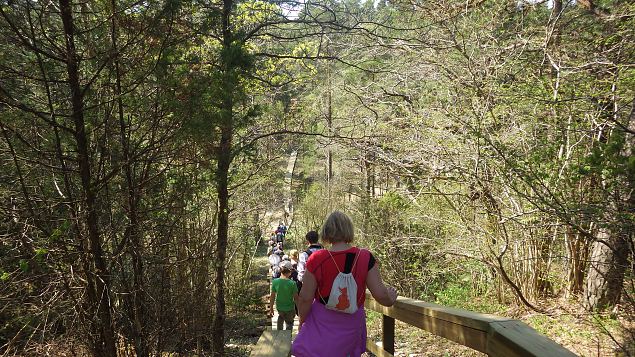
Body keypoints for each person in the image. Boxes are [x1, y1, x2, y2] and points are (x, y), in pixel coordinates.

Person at [291, 211, 397, 357]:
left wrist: (303, 321)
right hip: (352, 324)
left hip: (321, 324)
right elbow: (381, 295)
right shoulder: (365, 257)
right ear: (349, 230)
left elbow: (305, 298)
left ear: (326, 231)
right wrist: (391, 298)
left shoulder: (317, 258)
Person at [268, 261, 298, 330]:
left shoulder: (275, 282)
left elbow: (272, 296)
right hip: (290, 308)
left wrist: (271, 308)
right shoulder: (292, 283)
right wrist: (299, 310)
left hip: (279, 307)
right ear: (290, 271)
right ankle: (287, 338)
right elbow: (296, 298)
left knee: (281, 317)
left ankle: (279, 334)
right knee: (289, 323)